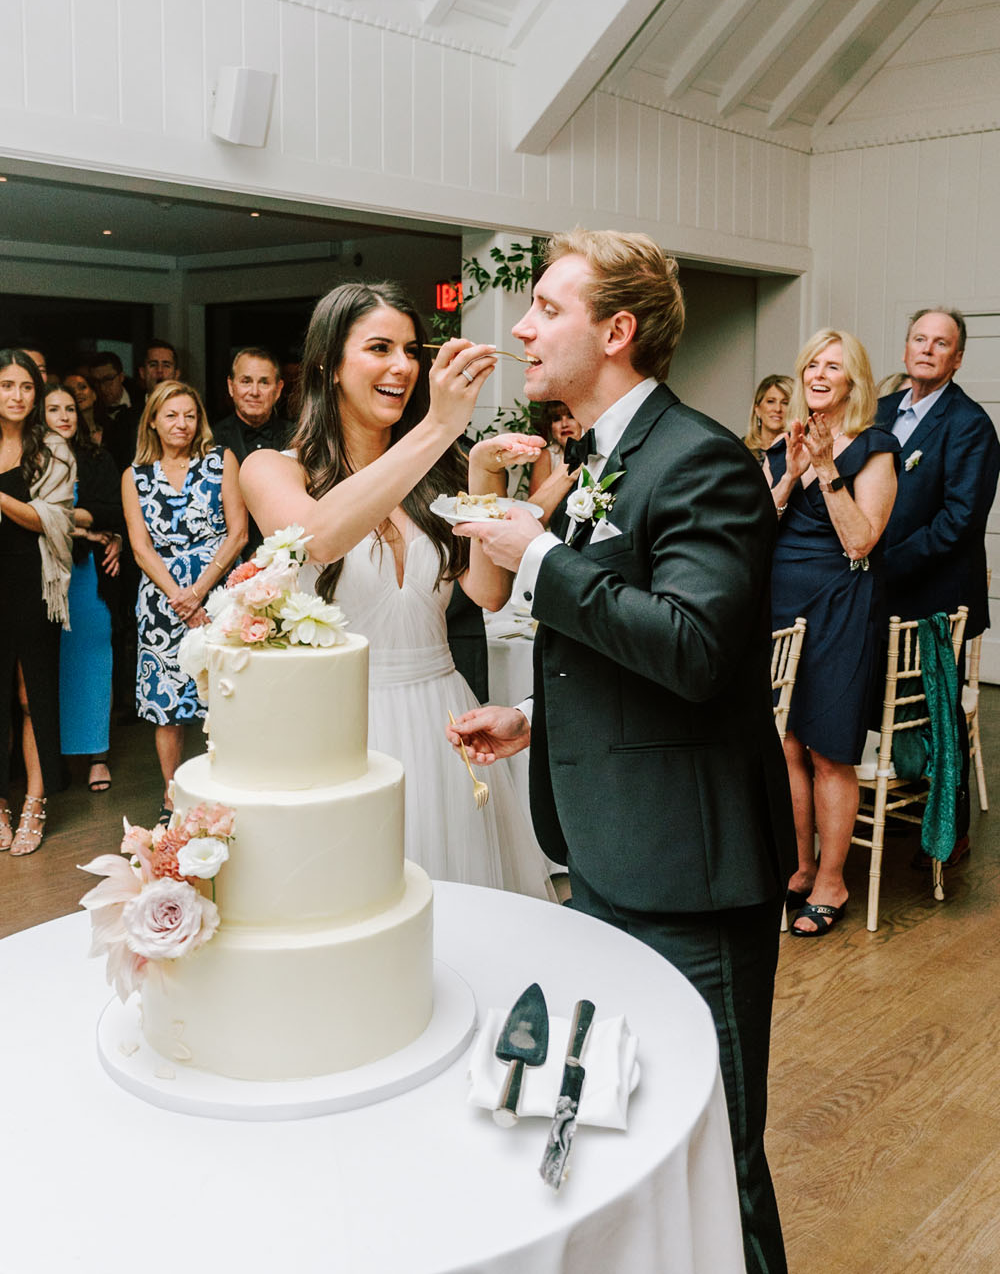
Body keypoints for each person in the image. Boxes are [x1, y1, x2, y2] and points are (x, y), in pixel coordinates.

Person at [445, 231, 795, 1274]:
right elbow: (626, 643)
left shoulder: (701, 461)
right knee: (629, 1125)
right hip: (605, 851)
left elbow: (694, 650)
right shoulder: (602, 456)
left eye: (546, 308)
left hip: (689, 872)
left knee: (717, 1149)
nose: (520, 326)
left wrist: (540, 556)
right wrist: (537, 723)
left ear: (617, 330)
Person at [241, 281, 554, 899]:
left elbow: (489, 593)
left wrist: (483, 472)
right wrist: (439, 424)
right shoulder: (272, 470)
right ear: (329, 365)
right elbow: (322, 537)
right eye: (380, 348)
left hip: (444, 717)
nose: (403, 367)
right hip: (343, 728)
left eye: (412, 351)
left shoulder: (437, 467)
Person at [765, 331, 898, 936]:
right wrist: (791, 473)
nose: (819, 373)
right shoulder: (784, 441)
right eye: (812, 363)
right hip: (780, 600)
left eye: (833, 366)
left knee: (829, 746)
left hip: (840, 603)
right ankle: (800, 864)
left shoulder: (875, 447)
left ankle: (832, 880)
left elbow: (861, 540)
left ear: (854, 380)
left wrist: (824, 467)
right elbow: (755, 529)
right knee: (786, 742)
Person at [876, 307, 1000, 865]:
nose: (927, 349)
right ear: (905, 348)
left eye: (941, 342)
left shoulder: (970, 424)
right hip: (874, 591)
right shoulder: (877, 412)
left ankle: (949, 829)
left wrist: (886, 562)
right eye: (919, 339)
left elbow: (959, 521)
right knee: (880, 705)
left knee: (936, 711)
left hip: (936, 594)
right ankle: (887, 802)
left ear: (957, 357)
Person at [122, 381, 247, 819]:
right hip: (161, 602)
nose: (181, 424)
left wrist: (199, 592)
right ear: (153, 420)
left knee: (228, 696)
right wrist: (178, 595)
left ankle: (228, 788)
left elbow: (239, 533)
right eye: (171, 415)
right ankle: (172, 797)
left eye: (189, 415)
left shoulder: (220, 461)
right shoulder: (135, 476)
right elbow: (140, 547)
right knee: (167, 705)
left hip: (219, 595)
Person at [0, 350, 75, 855]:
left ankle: (34, 799)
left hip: (32, 581)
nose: (17, 396)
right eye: (6, 385)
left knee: (31, 695)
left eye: (26, 387)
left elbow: (52, 518)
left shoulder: (52, 450)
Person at [44, 382, 123, 793]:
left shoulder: (96, 457)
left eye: (70, 408)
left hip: (89, 578)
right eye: (54, 408)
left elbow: (117, 510)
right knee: (49, 666)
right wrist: (83, 527)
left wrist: (76, 521)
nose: (64, 416)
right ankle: (51, 757)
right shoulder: (28, 461)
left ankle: (98, 756)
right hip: (43, 577)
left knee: (95, 660)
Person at [212, 347, 291, 558]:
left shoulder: (299, 438)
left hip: (290, 560)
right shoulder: (210, 441)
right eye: (246, 381)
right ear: (231, 386)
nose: (254, 391)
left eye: (264, 382)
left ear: (278, 389)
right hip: (227, 563)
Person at [91, 351, 140, 471]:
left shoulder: (140, 399)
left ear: (121, 377)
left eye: (108, 379)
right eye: (97, 382)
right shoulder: (91, 409)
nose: (102, 388)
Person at [527, 400, 582, 495]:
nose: (564, 424)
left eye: (571, 416)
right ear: (551, 430)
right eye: (557, 419)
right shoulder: (546, 456)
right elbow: (536, 505)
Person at [744, 374, 792, 462]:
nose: (778, 409)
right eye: (770, 402)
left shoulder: (800, 453)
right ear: (757, 409)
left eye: (785, 403)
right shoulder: (741, 449)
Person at [64, 367, 107, 447]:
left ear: (94, 394)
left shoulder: (111, 427)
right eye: (71, 391)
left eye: (82, 387)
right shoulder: (68, 436)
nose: (77, 393)